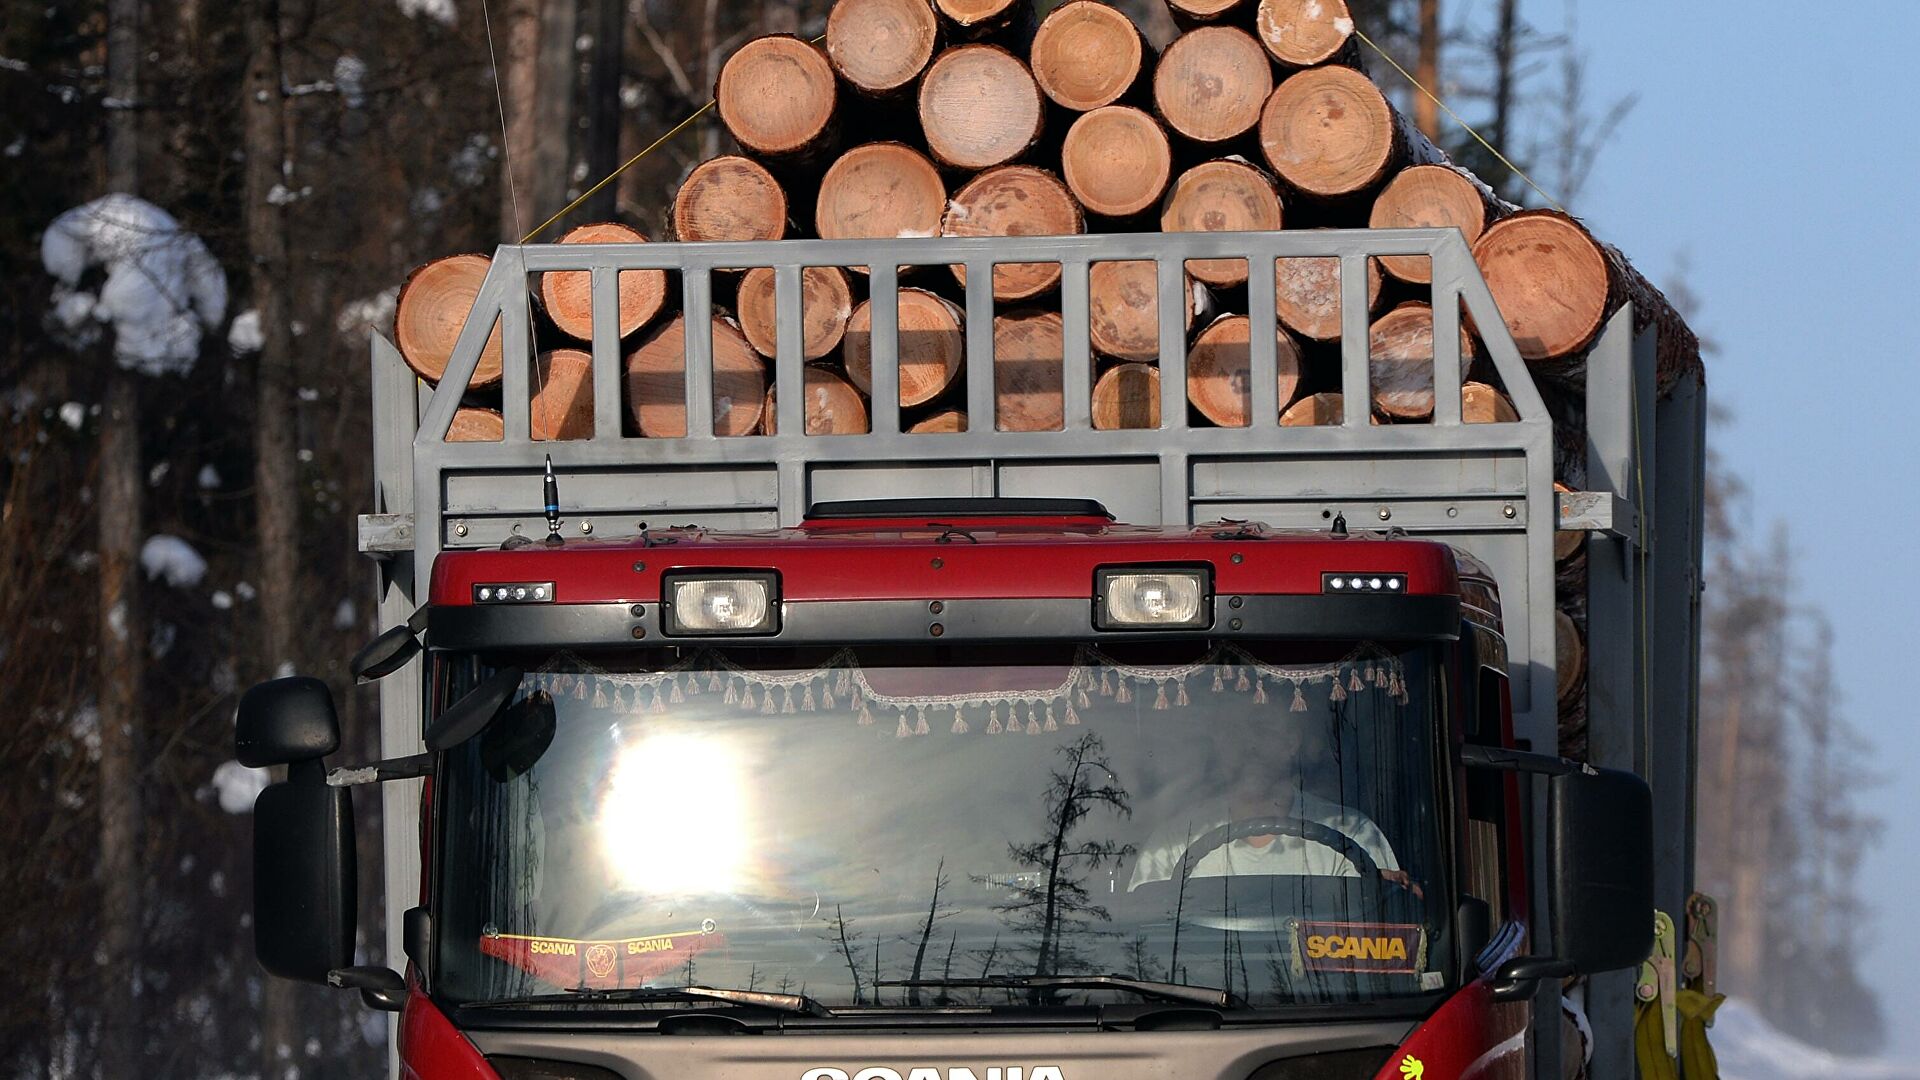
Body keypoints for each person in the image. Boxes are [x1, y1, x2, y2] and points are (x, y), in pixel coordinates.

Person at [1126, 703, 1419, 896]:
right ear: (1219, 746)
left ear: (1292, 743)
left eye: (1263, 730)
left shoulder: (1354, 835)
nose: (1250, 746)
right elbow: (1144, 939)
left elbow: (1379, 937)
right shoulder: (1173, 843)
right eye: (1234, 734)